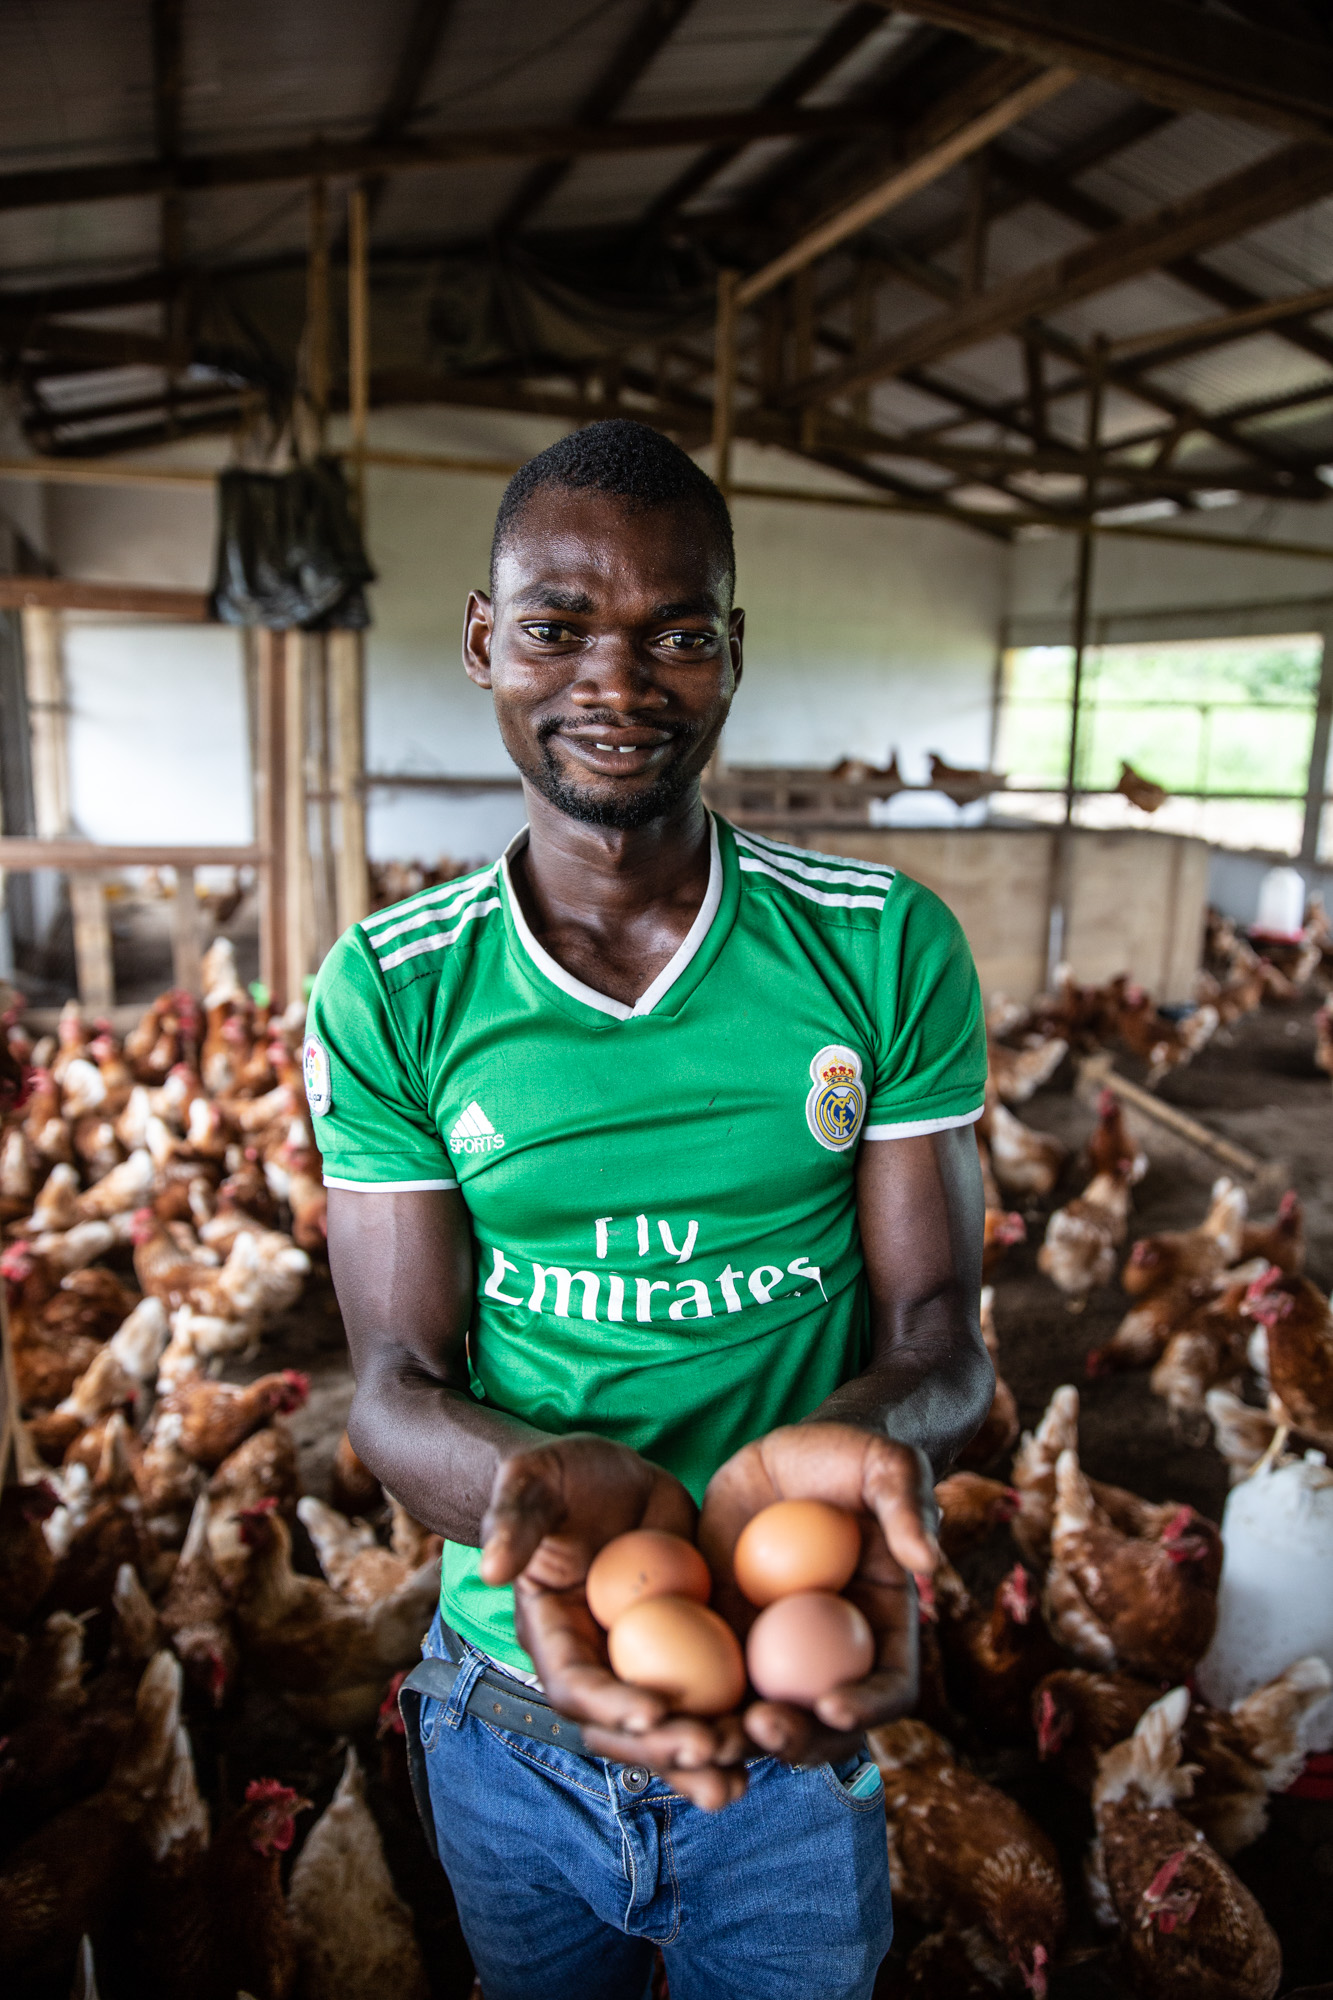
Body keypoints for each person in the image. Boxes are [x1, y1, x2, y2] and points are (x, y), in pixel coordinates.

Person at [306, 419, 993, 2000]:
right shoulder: (394, 987)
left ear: (731, 654)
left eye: (675, 634)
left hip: (788, 1713)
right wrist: (528, 1487)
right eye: (557, 628)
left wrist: (863, 1442)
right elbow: (393, 1386)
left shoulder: (879, 946)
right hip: (507, 1710)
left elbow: (939, 1334)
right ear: (484, 641)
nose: (616, 683)